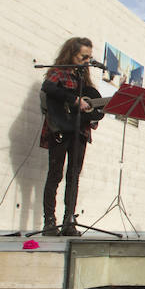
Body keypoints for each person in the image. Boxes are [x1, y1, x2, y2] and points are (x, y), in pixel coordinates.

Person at [40, 37, 104, 236]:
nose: (86, 61)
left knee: (74, 177)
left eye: (89, 57)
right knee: (55, 174)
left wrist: (93, 114)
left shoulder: (84, 79)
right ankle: (50, 222)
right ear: (71, 54)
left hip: (79, 132)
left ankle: (69, 221)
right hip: (60, 128)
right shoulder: (59, 72)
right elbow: (48, 87)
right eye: (83, 56)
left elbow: (90, 107)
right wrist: (74, 99)